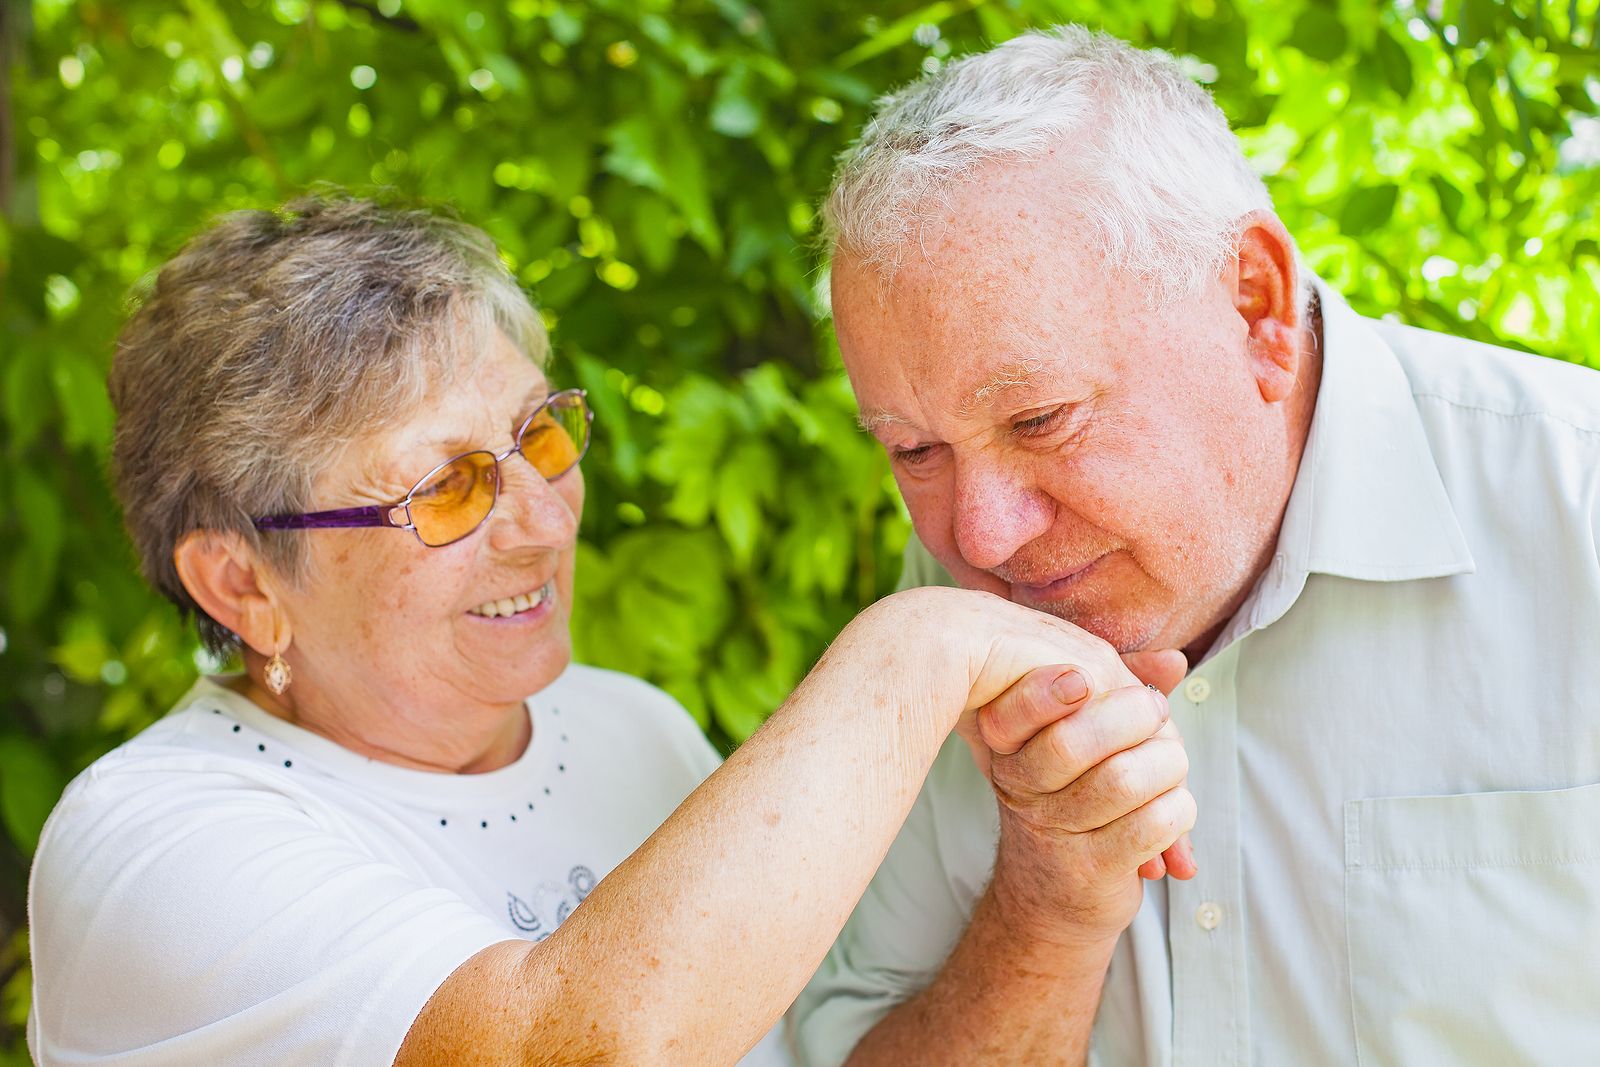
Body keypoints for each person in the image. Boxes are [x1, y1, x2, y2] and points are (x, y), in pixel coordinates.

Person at [25, 195, 1193, 1066]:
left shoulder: (627, 725)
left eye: (537, 434)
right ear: (240, 583)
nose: (540, 521)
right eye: (446, 489)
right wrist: (923, 646)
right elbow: (581, 1050)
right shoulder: (154, 841)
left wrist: (1062, 885)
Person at [793, 24, 1600, 1067]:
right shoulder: (962, 601)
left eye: (1039, 419)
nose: (980, 534)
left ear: (1254, 304)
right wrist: (1045, 909)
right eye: (913, 450)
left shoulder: (1574, 511)